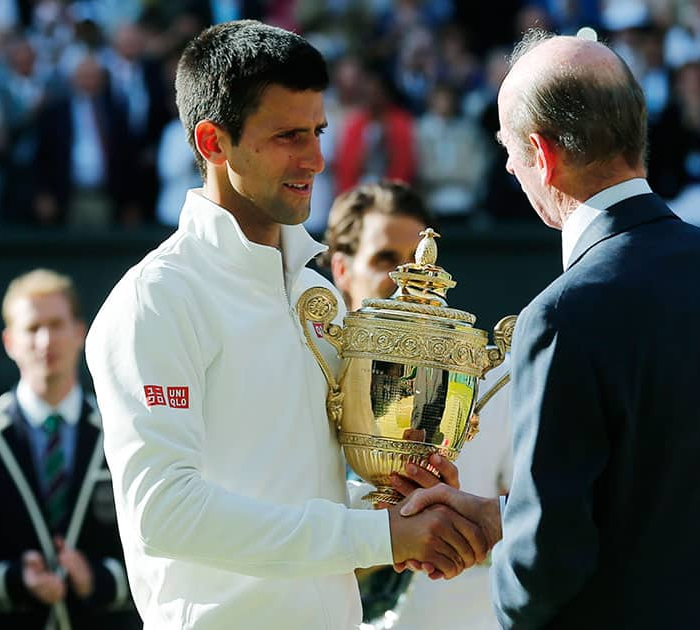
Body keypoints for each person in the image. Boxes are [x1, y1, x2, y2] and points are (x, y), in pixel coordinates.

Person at [83, 21, 489, 630]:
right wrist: (379, 535)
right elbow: (163, 514)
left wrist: (403, 506)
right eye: (288, 136)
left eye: (318, 131)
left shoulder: (315, 290)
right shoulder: (157, 299)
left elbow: (300, 497)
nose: (317, 159)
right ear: (213, 142)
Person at [397, 31, 700, 629]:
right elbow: (668, 499)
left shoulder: (564, 313)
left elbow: (548, 561)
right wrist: (501, 517)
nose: (508, 164)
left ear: (542, 155)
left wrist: (502, 574)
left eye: (509, 148)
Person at [319, 181, 513, 629]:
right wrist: (385, 532)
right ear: (342, 270)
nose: (405, 278)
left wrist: (462, 526)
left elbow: (531, 523)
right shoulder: (306, 379)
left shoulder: (484, 384)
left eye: (414, 260)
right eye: (386, 259)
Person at [0, 269, 138, 629]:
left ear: (81, 332)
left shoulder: (124, 429)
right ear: (9, 341)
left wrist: (98, 579)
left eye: (57, 324)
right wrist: (16, 578)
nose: (46, 340)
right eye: (32, 328)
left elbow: (156, 543)